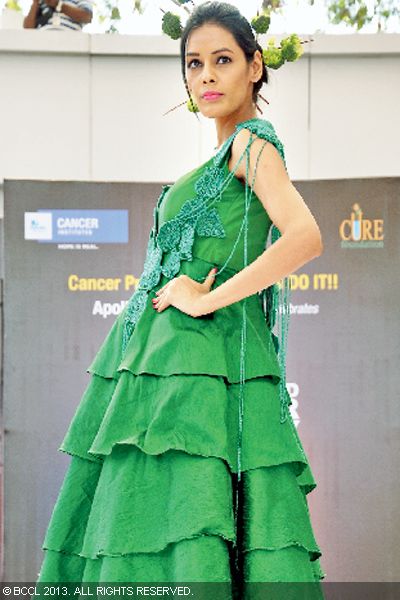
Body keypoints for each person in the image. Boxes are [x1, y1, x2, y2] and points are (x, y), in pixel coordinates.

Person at [36, 1, 326, 596]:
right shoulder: (221, 156)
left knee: (188, 524)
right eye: (194, 64)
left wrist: (208, 298)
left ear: (255, 66)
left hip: (198, 372)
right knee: (150, 525)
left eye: (223, 60)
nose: (206, 76)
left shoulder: (251, 145)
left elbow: (305, 237)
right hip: (154, 371)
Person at [23, 0, 92, 31]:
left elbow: (87, 17)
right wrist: (35, 2)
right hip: (42, 47)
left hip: (69, 46)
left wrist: (59, 5)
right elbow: (28, 29)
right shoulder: (41, 3)